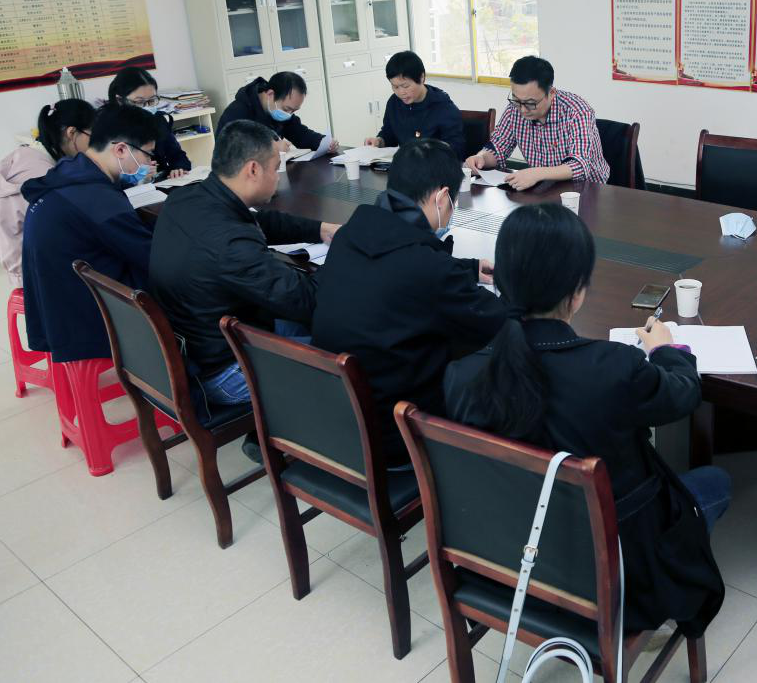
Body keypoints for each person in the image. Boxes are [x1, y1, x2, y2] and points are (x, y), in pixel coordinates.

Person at [445, 203, 728, 636]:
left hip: (508, 563)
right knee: (716, 483)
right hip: (614, 578)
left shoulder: (462, 373)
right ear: (577, 292)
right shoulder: (612, 368)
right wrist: (667, 350)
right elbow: (684, 393)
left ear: (501, 279)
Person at [311, 139, 507, 466]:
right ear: (442, 197)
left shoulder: (348, 235)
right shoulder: (428, 269)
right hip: (397, 435)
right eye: (453, 203)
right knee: (491, 369)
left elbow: (397, 261)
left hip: (336, 418)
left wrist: (467, 268)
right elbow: (497, 321)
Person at [149, 120, 339, 410]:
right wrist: (346, 257)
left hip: (200, 345)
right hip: (227, 372)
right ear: (253, 169)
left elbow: (257, 221)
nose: (277, 177)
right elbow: (307, 301)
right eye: (275, 168)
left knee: (314, 325)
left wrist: (319, 229)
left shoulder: (187, 198)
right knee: (352, 355)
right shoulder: (230, 244)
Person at [20, 103, 159, 363]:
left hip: (56, 309)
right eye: (147, 154)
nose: (150, 162)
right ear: (121, 149)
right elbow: (152, 257)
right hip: (86, 320)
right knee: (181, 285)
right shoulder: (97, 199)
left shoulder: (68, 173)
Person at [0, 99, 94, 288]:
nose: (94, 145)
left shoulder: (28, 156)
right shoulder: (41, 174)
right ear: (71, 133)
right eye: (92, 136)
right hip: (37, 272)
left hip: (21, 265)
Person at [463, 55, 609, 189]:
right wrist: (481, 157)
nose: (522, 109)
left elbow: (580, 165)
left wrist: (537, 173)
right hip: (544, 188)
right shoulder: (515, 109)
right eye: (516, 100)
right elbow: (498, 148)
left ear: (551, 93)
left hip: (588, 190)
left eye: (530, 103)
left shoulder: (577, 111)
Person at [362, 50, 465, 157]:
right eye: (395, 87)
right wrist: (379, 141)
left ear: (421, 77)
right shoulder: (394, 102)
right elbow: (389, 133)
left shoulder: (443, 107)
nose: (401, 92)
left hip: (434, 165)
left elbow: (457, 148)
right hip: (406, 164)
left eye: (405, 86)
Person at [216, 71, 339, 154]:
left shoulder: (278, 110)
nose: (289, 114)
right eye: (287, 109)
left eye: (293, 111)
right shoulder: (238, 112)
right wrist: (271, 148)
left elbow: (300, 134)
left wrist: (323, 143)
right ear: (270, 94)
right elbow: (227, 150)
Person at [107, 66, 191, 178]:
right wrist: (131, 178)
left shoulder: (158, 120)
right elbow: (104, 176)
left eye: (152, 100)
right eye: (139, 102)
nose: (147, 107)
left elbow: (177, 155)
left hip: (161, 182)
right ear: (120, 100)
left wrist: (178, 168)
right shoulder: (107, 129)